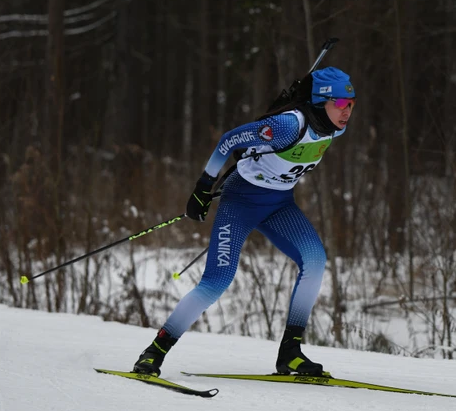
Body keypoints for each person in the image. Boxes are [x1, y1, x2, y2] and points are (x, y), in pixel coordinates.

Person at [132, 66, 356, 378]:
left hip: (279, 205)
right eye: (341, 104)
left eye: (352, 104)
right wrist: (202, 187)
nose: (347, 112)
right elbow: (227, 142)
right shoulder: (288, 125)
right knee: (216, 282)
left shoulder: (334, 128)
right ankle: (154, 352)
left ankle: (290, 353)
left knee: (316, 260)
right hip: (240, 201)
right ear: (321, 101)